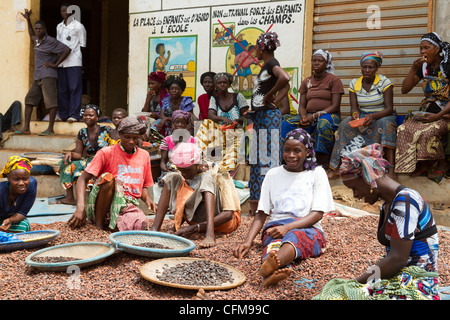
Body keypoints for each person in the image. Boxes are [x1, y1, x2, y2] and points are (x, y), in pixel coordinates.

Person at [313, 143, 440, 300]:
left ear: (368, 180)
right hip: (399, 278)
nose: (356, 196)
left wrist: (354, 283)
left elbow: (398, 259)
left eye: (354, 188)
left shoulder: (406, 201)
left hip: (418, 284)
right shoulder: (387, 205)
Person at [234, 129, 333, 286]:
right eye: (287, 150)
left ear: (307, 152)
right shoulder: (273, 174)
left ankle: (270, 269)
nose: (291, 155)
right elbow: (261, 214)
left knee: (293, 238)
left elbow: (318, 213)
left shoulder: (317, 173)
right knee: (273, 245)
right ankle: (274, 267)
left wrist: (288, 227)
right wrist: (248, 241)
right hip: (276, 227)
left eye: (297, 151)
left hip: (307, 227)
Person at [67, 117, 156, 231]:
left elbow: (143, 185)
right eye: (127, 137)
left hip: (127, 205)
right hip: (104, 204)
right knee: (109, 179)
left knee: (140, 224)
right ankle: (99, 225)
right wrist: (80, 207)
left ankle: (111, 224)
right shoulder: (106, 152)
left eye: (135, 138)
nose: (131, 141)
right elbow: (82, 179)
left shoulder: (144, 155)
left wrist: (147, 199)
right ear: (120, 134)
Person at [151, 142, 241, 248]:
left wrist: (195, 228)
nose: (183, 174)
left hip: (224, 224)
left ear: (198, 164)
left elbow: (228, 214)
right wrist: (176, 227)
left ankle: (209, 235)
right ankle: (154, 229)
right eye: (181, 170)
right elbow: (188, 201)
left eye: (187, 170)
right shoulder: (184, 174)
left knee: (207, 179)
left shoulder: (219, 172)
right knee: (172, 177)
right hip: (197, 221)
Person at [328, 52, 397, 180]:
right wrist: (355, 115)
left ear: (376, 68)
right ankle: (337, 167)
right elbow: (354, 108)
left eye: (371, 67)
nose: (367, 70)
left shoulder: (384, 82)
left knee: (387, 125)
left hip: (382, 115)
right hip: (364, 116)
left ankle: (391, 169)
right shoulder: (354, 83)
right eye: (364, 67)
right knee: (345, 125)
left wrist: (373, 116)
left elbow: (389, 109)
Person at [395, 32, 450, 183]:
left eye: (427, 48)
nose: (423, 52)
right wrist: (413, 69)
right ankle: (420, 164)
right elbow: (404, 89)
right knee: (403, 129)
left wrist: (437, 116)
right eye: (421, 49)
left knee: (428, 132)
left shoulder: (447, 65)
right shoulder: (424, 66)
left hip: (445, 113)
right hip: (427, 112)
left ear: (437, 48)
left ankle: (442, 162)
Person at [247, 32, 290, 216]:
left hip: (267, 117)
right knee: (259, 159)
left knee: (267, 160)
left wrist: (267, 97)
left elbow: (286, 79)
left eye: (256, 48)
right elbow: (286, 86)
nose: (255, 51)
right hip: (261, 117)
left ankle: (269, 206)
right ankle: (258, 206)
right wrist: (273, 97)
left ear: (262, 48)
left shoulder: (272, 63)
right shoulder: (267, 65)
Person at [281, 49, 344, 167]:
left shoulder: (334, 80)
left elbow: (335, 106)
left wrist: (314, 116)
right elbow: (302, 105)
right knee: (287, 124)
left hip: (329, 115)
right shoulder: (306, 81)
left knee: (323, 123)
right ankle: (286, 159)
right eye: (314, 60)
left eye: (320, 61)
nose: (316, 63)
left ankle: (322, 161)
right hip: (309, 115)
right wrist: (304, 116)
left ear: (326, 63)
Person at [16, 9, 71, 136]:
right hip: (37, 76)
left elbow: (67, 49)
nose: (38, 31)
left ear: (45, 30)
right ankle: (26, 128)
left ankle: (50, 128)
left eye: (40, 29)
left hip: (48, 76)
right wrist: (28, 20)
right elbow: (31, 34)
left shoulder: (51, 41)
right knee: (29, 100)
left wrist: (55, 64)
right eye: (36, 29)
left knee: (51, 103)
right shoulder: (36, 40)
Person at [55, 104, 111, 205]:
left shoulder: (106, 130)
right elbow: (78, 154)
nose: (87, 117)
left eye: (91, 115)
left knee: (89, 168)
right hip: (88, 160)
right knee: (66, 164)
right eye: (85, 115)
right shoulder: (82, 132)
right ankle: (70, 198)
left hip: (103, 160)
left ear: (97, 117)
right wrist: (70, 154)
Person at [56, 3, 87, 123]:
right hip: (61, 63)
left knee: (74, 88)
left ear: (71, 12)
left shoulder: (79, 26)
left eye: (66, 10)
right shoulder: (59, 26)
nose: (64, 13)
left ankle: (74, 115)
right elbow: (58, 44)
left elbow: (83, 45)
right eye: (62, 11)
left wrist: (74, 53)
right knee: (62, 90)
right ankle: (63, 114)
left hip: (74, 62)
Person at [0, 156, 36, 233]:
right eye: (16, 179)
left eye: (25, 179)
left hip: (9, 220)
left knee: (24, 225)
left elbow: (22, 212)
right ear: (8, 178)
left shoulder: (31, 185)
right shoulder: (1, 191)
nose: (21, 183)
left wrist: (10, 220)